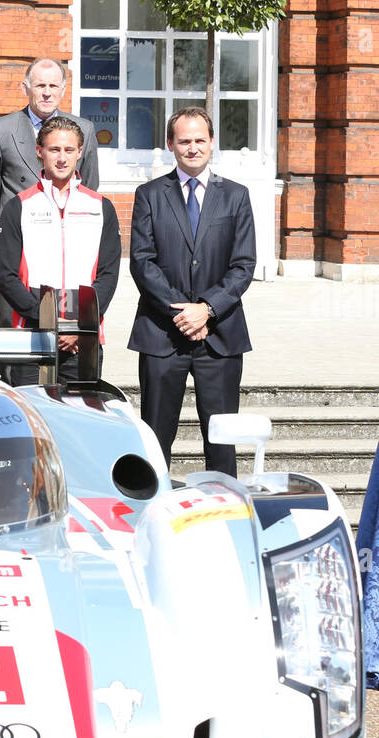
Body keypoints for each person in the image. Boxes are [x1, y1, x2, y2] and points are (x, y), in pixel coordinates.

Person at [128, 107, 256, 476]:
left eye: (200, 140)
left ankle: (223, 513)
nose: (193, 148)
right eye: (184, 141)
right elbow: (142, 262)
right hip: (162, 334)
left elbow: (243, 264)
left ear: (212, 143)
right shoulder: (149, 195)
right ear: (171, 144)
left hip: (220, 334)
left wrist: (207, 309)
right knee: (155, 437)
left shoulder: (236, 196)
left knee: (221, 441)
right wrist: (182, 313)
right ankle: (152, 513)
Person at [0, 115, 120, 386]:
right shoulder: (18, 206)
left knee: (81, 419)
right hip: (32, 330)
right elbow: (6, 275)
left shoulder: (100, 206)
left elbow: (109, 274)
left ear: (80, 152)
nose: (62, 158)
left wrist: (79, 323)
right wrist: (49, 321)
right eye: (54, 149)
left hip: (83, 334)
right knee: (33, 420)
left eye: (69, 150)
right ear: (40, 152)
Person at [0, 58, 100, 343]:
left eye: (53, 86)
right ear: (26, 88)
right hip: (17, 254)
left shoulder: (84, 129)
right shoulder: (0, 130)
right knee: (14, 339)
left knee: (66, 336)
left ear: (63, 89)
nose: (46, 92)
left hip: (67, 253)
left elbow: (90, 187)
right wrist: (6, 235)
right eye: (40, 85)